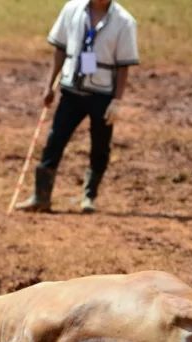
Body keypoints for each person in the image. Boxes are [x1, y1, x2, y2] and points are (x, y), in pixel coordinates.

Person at [16, 0, 138, 213]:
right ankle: (41, 196)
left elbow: (123, 66)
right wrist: (49, 85)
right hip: (71, 90)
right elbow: (60, 49)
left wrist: (117, 101)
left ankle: (89, 197)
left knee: (100, 145)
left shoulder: (124, 22)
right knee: (55, 141)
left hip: (102, 94)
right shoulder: (72, 9)